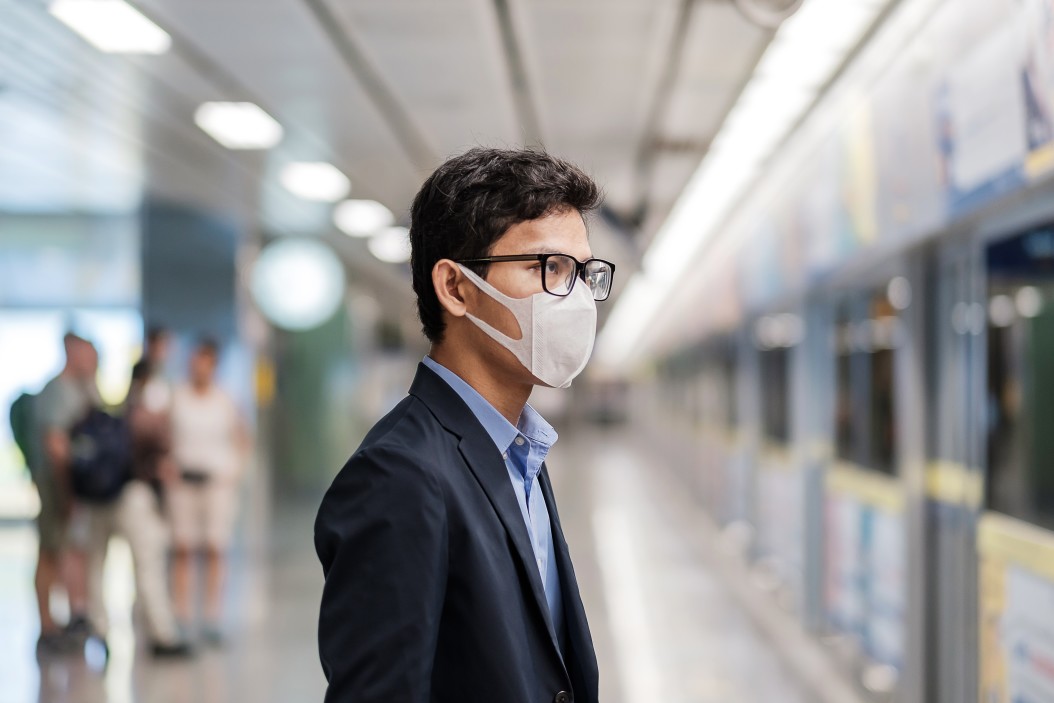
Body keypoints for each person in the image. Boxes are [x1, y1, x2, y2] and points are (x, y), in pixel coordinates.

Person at [315, 148, 616, 702]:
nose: (573, 296)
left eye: (581, 272)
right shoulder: (400, 476)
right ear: (455, 288)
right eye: (543, 267)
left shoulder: (517, 451)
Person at [168, 339, 248, 642]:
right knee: (183, 549)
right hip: (184, 482)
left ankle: (213, 616)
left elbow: (242, 438)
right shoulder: (177, 397)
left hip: (216, 482)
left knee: (215, 548)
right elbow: (166, 436)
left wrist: (234, 471)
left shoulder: (225, 399)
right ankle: (182, 614)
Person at [31, 333, 98, 654]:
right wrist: (67, 492)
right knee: (50, 552)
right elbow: (56, 447)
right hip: (57, 486)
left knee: (71, 552)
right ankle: (47, 625)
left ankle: (74, 616)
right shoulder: (56, 392)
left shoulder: (83, 389)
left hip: (75, 488)